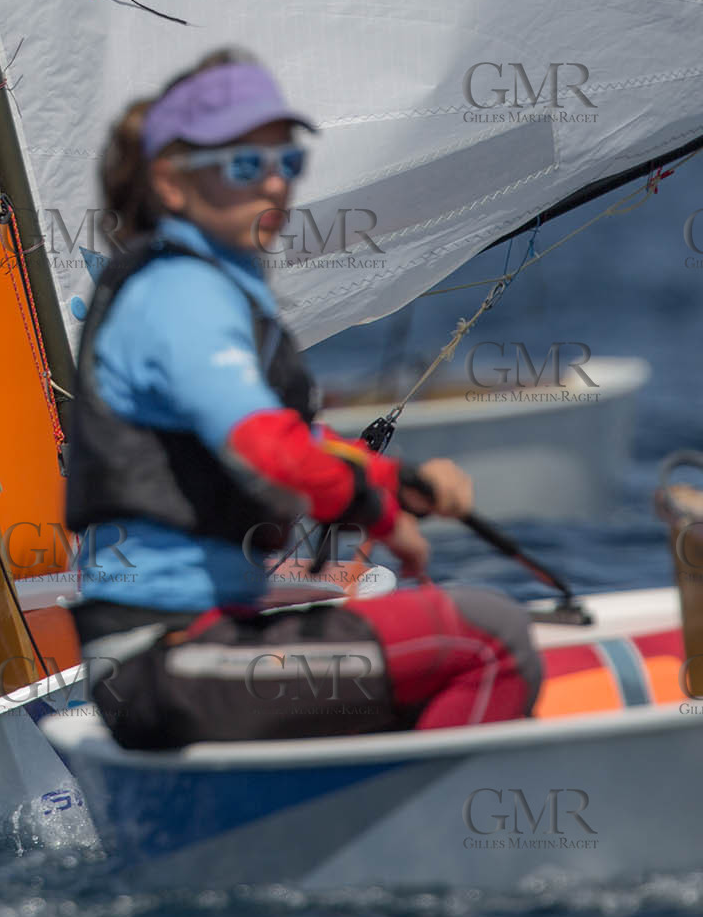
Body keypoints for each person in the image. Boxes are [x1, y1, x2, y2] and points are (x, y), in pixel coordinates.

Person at [65, 49, 543, 749]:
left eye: (287, 162)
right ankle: (430, 848)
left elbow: (297, 443)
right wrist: (375, 506)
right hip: (169, 660)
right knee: (490, 637)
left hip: (190, 645)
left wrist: (396, 482)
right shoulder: (181, 296)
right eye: (243, 165)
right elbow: (267, 449)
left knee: (439, 646)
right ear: (171, 180)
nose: (275, 185)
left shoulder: (202, 285)